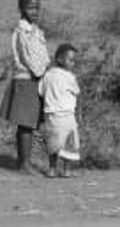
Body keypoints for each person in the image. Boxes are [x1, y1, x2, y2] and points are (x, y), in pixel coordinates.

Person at [0, 0, 50, 175]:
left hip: (35, 79)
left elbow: (42, 55)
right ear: (21, 9)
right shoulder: (22, 31)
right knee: (26, 124)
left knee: (31, 124)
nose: (34, 11)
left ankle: (25, 162)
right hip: (27, 79)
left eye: (36, 7)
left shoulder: (36, 30)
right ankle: (24, 164)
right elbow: (28, 57)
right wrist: (40, 72)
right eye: (30, 7)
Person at [39, 43, 81, 178]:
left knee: (53, 142)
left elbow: (41, 92)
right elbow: (77, 93)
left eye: (74, 61)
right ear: (59, 59)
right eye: (70, 60)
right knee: (68, 143)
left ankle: (52, 169)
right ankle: (67, 170)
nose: (73, 63)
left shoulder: (47, 75)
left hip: (51, 114)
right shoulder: (70, 77)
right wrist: (78, 112)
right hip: (67, 115)